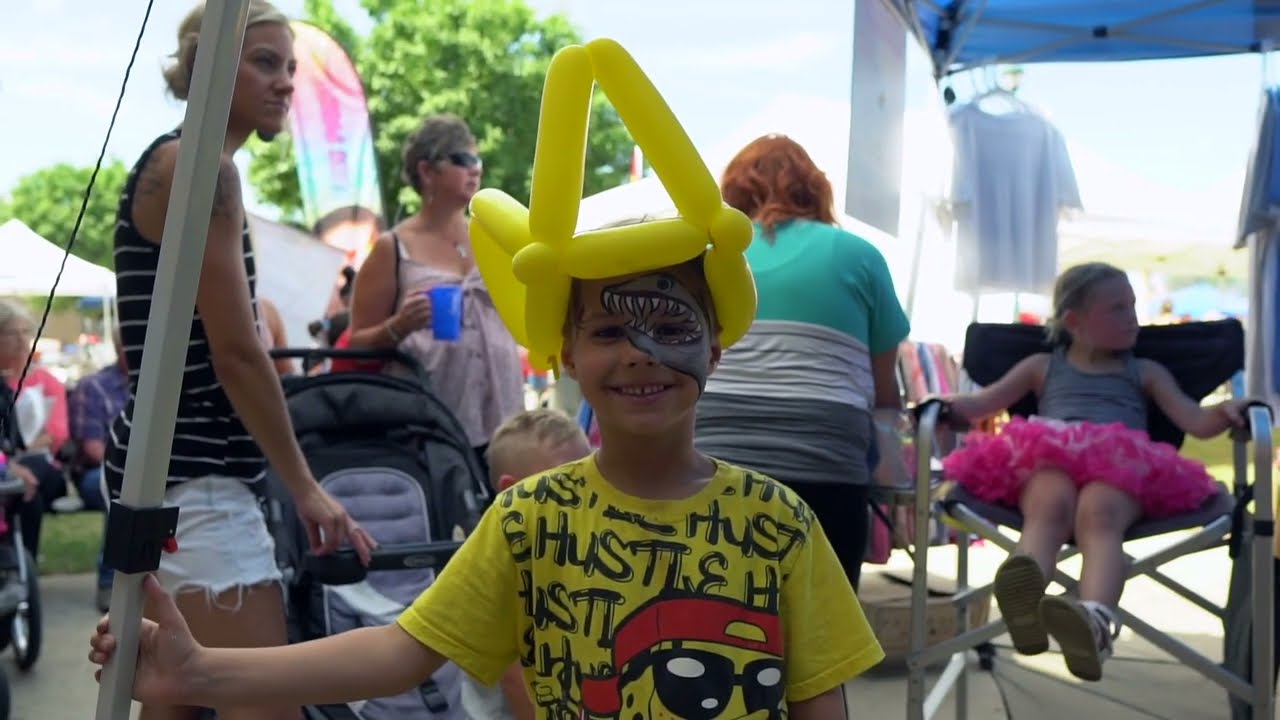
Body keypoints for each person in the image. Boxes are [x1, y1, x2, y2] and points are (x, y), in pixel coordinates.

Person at [89, 252, 883, 717]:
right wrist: (199, 671)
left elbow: (822, 704)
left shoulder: (781, 523)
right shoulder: (529, 520)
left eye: (673, 328)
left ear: (717, 348)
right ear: (566, 353)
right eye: (610, 330)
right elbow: (398, 651)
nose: (642, 352)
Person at [103, 3, 374, 719]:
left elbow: (152, 342)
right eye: (265, 61)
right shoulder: (199, 167)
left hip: (165, 470)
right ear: (209, 65)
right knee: (266, 705)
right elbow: (237, 353)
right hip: (198, 481)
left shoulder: (173, 162)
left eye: (290, 66)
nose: (286, 82)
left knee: (176, 700)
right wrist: (307, 487)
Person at [936, 261, 1242, 682]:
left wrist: (1227, 411)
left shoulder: (1145, 371)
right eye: (1118, 308)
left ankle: (1093, 621)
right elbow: (981, 404)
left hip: (1122, 465)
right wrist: (944, 407)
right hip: (1050, 455)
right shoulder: (1041, 366)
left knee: (1098, 514)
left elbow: (1195, 421)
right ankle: (1025, 601)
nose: (1133, 318)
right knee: (1048, 504)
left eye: (1133, 305)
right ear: (1074, 322)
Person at [695, 134, 911, 591]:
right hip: (826, 465)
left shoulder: (711, 258)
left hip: (710, 457)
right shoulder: (860, 256)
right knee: (822, 625)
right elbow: (884, 392)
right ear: (815, 189)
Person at [337, 114, 523, 476]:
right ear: (427, 171)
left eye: (478, 161)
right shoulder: (393, 248)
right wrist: (399, 326)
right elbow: (355, 343)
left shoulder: (490, 237)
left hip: (503, 415)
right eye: (464, 160)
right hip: (429, 424)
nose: (476, 169)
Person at [459, 408, 591, 720]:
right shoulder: (505, 564)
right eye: (567, 484)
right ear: (512, 491)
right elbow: (516, 681)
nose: (587, 496)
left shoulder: (571, 548)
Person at [0, 298, 69, 560]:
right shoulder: (5, 386)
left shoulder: (43, 382)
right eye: (12, 334)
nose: (22, 341)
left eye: (25, 333)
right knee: (28, 493)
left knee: (30, 484)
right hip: (10, 466)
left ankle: (21, 563)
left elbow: (56, 435)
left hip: (33, 463)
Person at [68, 326, 129, 611]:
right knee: (119, 488)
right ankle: (108, 580)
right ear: (119, 349)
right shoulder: (93, 386)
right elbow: (92, 448)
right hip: (97, 472)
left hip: (145, 473)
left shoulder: (159, 385)